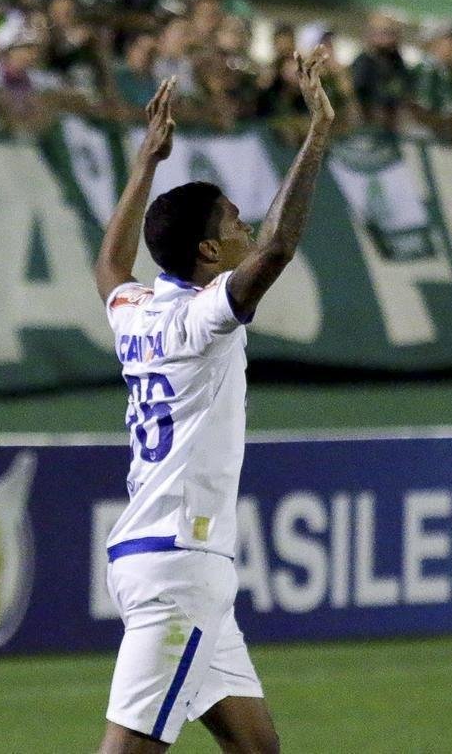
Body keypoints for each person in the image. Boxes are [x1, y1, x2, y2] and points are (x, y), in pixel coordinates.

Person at [93, 47, 335, 753]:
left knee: (258, 748)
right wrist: (317, 131)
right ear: (205, 252)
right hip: (179, 564)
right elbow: (279, 248)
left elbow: (110, 263)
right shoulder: (201, 319)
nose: (246, 229)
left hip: (160, 554)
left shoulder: (135, 310)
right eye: (232, 222)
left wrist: (146, 163)